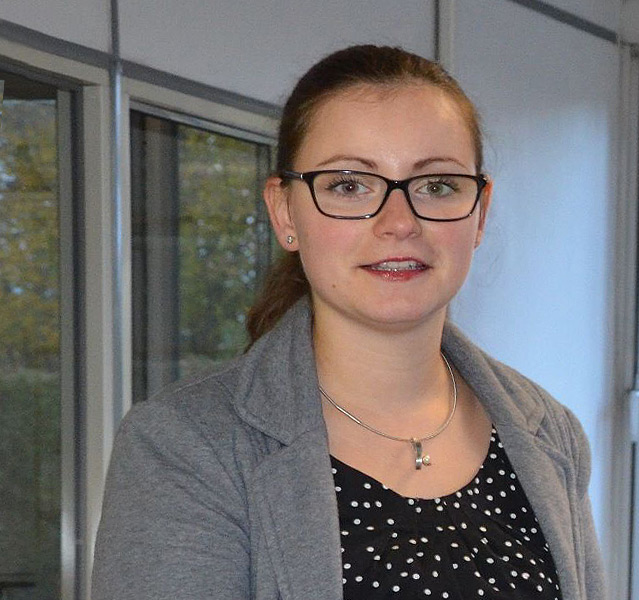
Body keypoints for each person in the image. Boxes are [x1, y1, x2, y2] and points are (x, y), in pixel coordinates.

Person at [92, 45, 606, 600]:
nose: (399, 222)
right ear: (284, 211)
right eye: (348, 184)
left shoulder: (551, 435)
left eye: (436, 185)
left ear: (479, 212)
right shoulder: (187, 446)